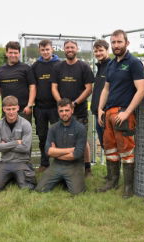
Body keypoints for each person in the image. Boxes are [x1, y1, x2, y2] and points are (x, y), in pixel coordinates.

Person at [97, 29, 144, 198]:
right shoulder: (110, 64)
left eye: (119, 42)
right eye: (114, 42)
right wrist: (100, 108)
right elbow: (106, 88)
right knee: (110, 148)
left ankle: (128, 188)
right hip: (109, 113)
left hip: (123, 113)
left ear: (127, 43)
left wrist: (127, 113)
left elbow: (140, 90)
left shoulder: (133, 63)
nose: (116, 45)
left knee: (126, 150)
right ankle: (112, 181)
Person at [51, 40, 94, 176]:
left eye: (72, 47)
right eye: (67, 47)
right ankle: (64, 166)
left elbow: (89, 89)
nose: (70, 49)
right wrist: (62, 106)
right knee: (61, 139)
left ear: (77, 49)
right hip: (62, 113)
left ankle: (87, 167)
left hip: (79, 111)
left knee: (82, 140)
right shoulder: (58, 67)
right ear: (64, 49)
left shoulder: (84, 67)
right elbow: (54, 87)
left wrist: (74, 104)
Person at [35, 98, 87, 195]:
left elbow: (77, 154)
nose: (64, 113)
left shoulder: (80, 128)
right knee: (40, 190)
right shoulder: (53, 128)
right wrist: (70, 150)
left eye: (67, 110)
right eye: (61, 111)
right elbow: (48, 151)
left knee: (77, 193)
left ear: (72, 110)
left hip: (74, 165)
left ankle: (66, 180)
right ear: (58, 112)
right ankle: (61, 179)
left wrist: (55, 152)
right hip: (57, 165)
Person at [0, 96, 36, 192]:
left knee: (27, 189)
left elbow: (25, 148)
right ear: (4, 109)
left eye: (13, 109)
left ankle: (14, 178)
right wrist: (16, 142)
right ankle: (10, 177)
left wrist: (4, 145)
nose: (11, 112)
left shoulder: (25, 124)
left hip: (21, 162)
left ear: (18, 108)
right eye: (8, 109)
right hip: (5, 162)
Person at [31, 39, 61, 172]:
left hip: (55, 107)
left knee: (57, 135)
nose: (45, 52)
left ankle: (58, 163)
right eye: (42, 50)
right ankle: (44, 163)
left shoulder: (59, 64)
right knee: (42, 136)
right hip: (40, 107)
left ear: (52, 49)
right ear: (39, 51)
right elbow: (32, 86)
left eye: (47, 49)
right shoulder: (35, 66)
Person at [0, 41, 36, 122]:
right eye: (10, 52)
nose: (13, 55)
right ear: (6, 53)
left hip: (23, 111)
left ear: (19, 53)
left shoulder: (26, 68)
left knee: (23, 134)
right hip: (6, 111)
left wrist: (29, 106)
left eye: (15, 53)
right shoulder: (0, 70)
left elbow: (32, 87)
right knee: (6, 134)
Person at [91, 39, 111, 150]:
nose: (98, 53)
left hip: (106, 112)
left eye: (101, 50)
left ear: (107, 50)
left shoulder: (111, 66)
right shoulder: (100, 66)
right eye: (96, 51)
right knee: (105, 145)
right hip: (97, 113)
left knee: (109, 145)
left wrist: (103, 109)